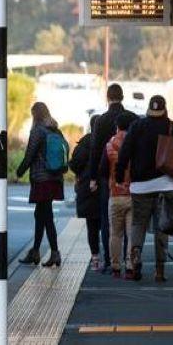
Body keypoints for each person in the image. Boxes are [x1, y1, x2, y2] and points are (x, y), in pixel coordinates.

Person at [116, 95, 173, 282]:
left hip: (141, 186)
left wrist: (119, 175)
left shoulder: (137, 126)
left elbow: (125, 153)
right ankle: (160, 270)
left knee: (138, 223)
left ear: (149, 109)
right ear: (165, 109)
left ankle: (136, 255)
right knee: (162, 226)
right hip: (167, 184)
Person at [89, 84, 132, 271]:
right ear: (122, 97)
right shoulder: (133, 118)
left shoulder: (101, 120)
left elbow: (95, 150)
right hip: (132, 178)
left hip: (109, 177)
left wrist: (93, 177)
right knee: (131, 221)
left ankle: (109, 259)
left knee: (109, 219)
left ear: (107, 97)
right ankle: (128, 258)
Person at [17, 102, 65, 268]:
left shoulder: (38, 130)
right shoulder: (55, 129)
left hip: (42, 179)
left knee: (47, 216)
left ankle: (55, 253)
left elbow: (29, 155)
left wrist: (19, 172)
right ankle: (35, 251)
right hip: (55, 178)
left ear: (35, 115)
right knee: (41, 214)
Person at [99, 111, 137, 279]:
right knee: (131, 234)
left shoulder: (109, 145)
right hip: (133, 194)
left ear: (117, 126)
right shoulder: (137, 144)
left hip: (114, 195)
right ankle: (130, 267)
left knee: (115, 233)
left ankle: (115, 267)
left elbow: (102, 170)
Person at [71, 115, 102, 270]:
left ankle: (95, 258)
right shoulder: (108, 141)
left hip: (87, 189)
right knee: (109, 226)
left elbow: (74, 164)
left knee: (92, 226)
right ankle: (111, 259)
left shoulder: (84, 143)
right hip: (104, 188)